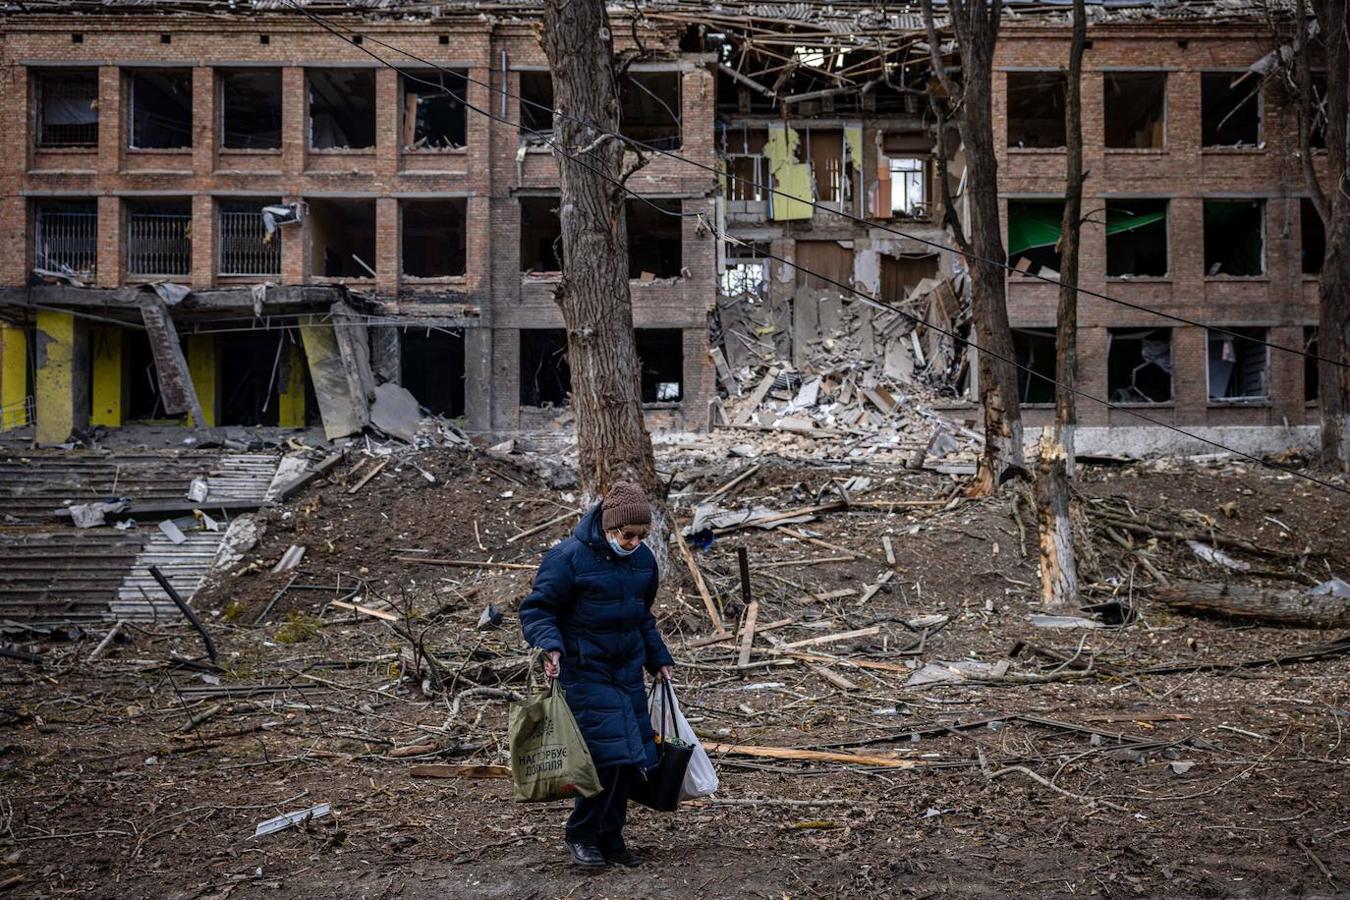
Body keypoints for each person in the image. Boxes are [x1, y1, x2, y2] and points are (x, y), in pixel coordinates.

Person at [519, 480, 674, 869]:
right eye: (627, 534)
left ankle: (611, 837)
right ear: (608, 526)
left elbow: (643, 617)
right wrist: (550, 646)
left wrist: (659, 659)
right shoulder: (568, 558)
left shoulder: (643, 563)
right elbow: (538, 610)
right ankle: (582, 834)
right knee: (603, 759)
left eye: (641, 535)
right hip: (586, 672)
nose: (634, 542)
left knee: (628, 760)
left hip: (627, 673)